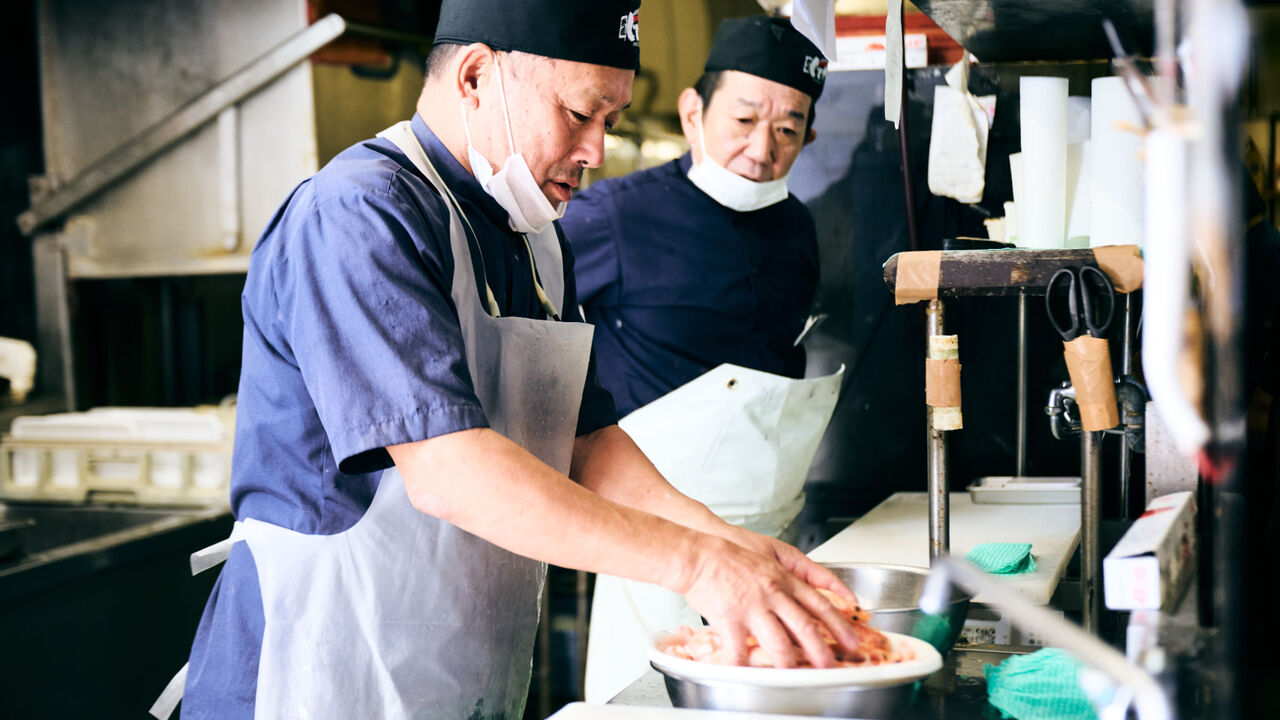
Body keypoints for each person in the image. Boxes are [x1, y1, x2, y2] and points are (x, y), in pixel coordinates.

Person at [157, 3, 862, 719]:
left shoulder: (537, 240)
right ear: (474, 76)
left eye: (610, 123)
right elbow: (450, 472)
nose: (595, 151)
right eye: (579, 114)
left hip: (454, 678)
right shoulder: (360, 214)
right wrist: (697, 565)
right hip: (318, 676)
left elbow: (587, 445)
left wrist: (734, 547)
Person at [557, 16, 842, 702]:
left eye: (787, 129)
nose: (761, 148)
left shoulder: (798, 228)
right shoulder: (613, 218)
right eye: (743, 119)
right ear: (694, 112)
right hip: (653, 535)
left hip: (772, 526)